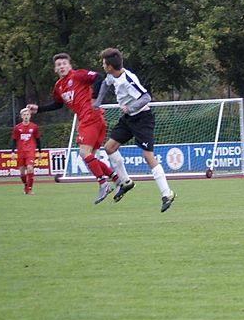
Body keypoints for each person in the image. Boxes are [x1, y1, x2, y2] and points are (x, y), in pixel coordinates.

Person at [27, 53, 121, 204]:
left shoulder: (78, 75)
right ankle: (117, 180)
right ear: (55, 69)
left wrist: (94, 98)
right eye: (58, 65)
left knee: (84, 153)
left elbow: (98, 77)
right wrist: (39, 109)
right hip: (92, 119)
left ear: (69, 65)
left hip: (89, 116)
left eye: (64, 63)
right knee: (90, 157)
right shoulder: (58, 86)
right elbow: (58, 104)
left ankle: (103, 184)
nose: (62, 66)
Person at [92, 48, 175, 212]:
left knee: (148, 157)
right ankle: (126, 182)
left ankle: (167, 193)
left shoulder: (127, 80)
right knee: (109, 147)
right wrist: (97, 102)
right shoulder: (112, 75)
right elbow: (105, 83)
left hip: (142, 119)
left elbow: (146, 97)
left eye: (104, 63)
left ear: (110, 66)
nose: (102, 66)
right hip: (128, 119)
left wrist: (131, 108)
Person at [10, 108, 42, 194]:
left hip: (30, 151)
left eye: (27, 114)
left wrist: (39, 152)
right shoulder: (17, 128)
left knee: (30, 168)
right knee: (22, 173)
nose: (26, 116)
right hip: (21, 152)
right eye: (24, 115)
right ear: (21, 116)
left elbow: (38, 140)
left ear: (30, 116)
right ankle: (26, 185)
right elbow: (14, 140)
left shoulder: (34, 127)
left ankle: (30, 189)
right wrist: (12, 152)